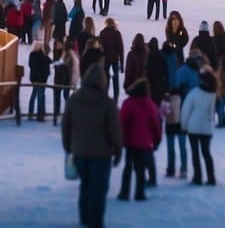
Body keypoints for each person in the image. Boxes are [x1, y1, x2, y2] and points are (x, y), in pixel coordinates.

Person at [63, 63, 122, 228]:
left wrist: (68, 147)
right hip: (101, 153)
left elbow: (66, 125)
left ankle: (84, 217)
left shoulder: (74, 99)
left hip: (79, 151)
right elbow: (114, 129)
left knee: (86, 185)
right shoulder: (106, 102)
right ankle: (96, 220)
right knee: (99, 189)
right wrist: (118, 149)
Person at [118, 77, 161, 201]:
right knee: (140, 168)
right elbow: (155, 124)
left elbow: (123, 122)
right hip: (145, 142)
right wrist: (157, 140)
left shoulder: (128, 103)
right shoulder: (150, 104)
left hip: (130, 141)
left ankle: (124, 192)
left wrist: (121, 138)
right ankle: (139, 193)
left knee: (128, 167)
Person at [181, 71, 218, 185]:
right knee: (206, 153)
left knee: (195, 153)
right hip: (206, 128)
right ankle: (211, 178)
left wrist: (184, 125)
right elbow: (212, 113)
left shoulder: (194, 93)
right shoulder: (212, 95)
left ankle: (197, 177)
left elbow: (186, 110)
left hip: (193, 127)